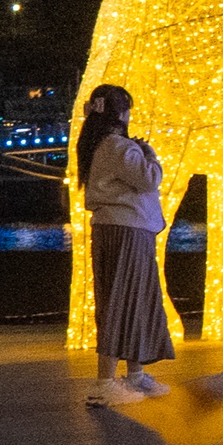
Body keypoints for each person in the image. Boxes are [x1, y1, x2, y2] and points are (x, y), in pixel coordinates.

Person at [76, 82, 176, 403]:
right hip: (127, 229)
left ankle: (134, 376)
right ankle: (104, 384)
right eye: (128, 108)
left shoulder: (98, 146)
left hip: (118, 228)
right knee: (124, 301)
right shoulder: (118, 147)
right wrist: (150, 154)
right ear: (120, 112)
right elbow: (150, 178)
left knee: (131, 300)